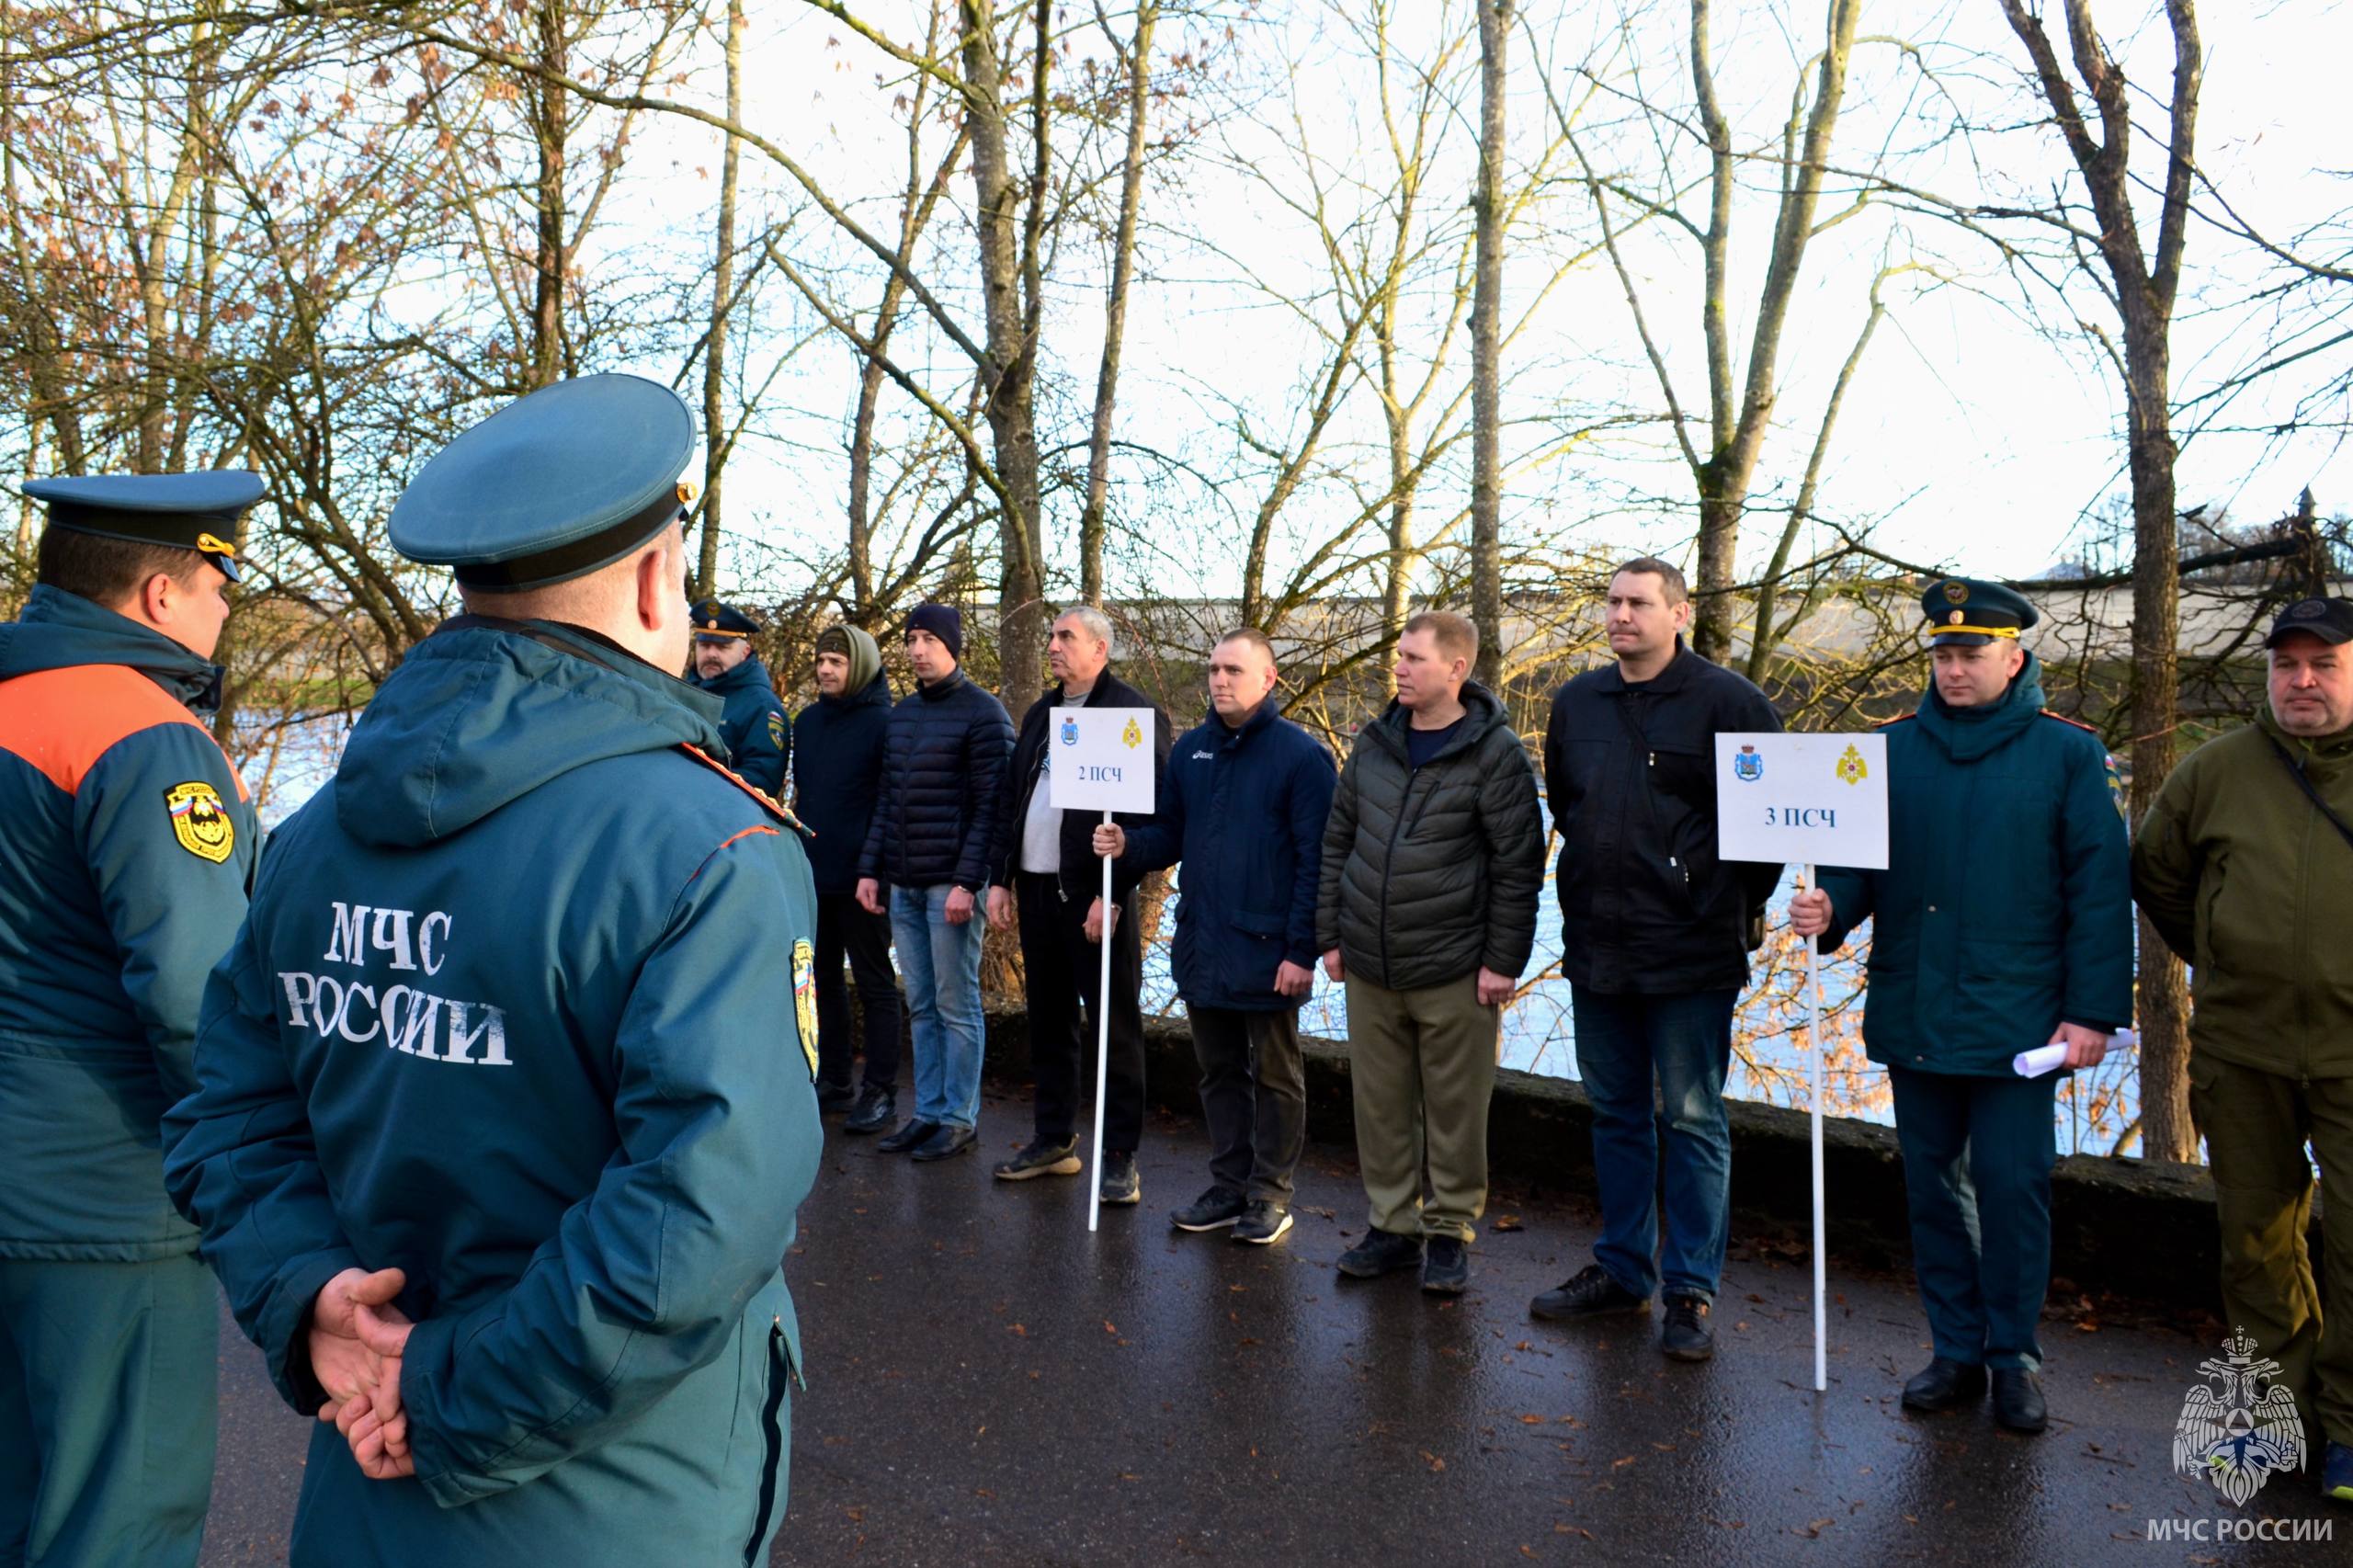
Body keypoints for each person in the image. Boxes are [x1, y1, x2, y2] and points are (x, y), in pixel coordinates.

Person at [162, 373, 824, 1566]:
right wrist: (443, 1389)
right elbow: (701, 1216)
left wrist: (312, 1298)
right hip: (614, 1495)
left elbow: (226, 1113)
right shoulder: (712, 847)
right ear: (655, 577)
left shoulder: (314, 837)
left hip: (363, 1476)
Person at [1791, 577, 2131, 1435]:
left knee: (2014, 1191)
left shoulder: (2068, 756)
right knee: (1933, 1190)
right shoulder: (1889, 749)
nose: (1953, 669)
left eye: (1970, 654)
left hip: (2022, 1023)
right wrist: (1830, 906)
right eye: (1942, 654)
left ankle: (2013, 1357)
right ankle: (1954, 1350)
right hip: (1916, 1006)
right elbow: (1859, 865)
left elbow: (2099, 894)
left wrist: (2092, 1015)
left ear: (2014, 657)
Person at [0, 472, 262, 1568]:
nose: (227, 608)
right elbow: (197, 997)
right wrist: (256, 1184)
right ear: (161, 594)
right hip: (105, 1200)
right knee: (115, 1520)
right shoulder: (141, 737)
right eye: (221, 582)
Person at [1528, 558, 1782, 1363]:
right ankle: (1623, 1270)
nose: (1621, 615)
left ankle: (1690, 1292)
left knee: (1694, 1118)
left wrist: (1706, 899)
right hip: (1599, 947)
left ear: (1679, 613)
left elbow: (1762, 836)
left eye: (1639, 603)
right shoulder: (1577, 703)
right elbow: (1569, 805)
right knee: (1615, 1114)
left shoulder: (1732, 705)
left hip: (1690, 952)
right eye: (1612, 602)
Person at [2131, 595, 2353, 1502]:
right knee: (2255, 1243)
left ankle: (2348, 1426)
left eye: (2325, 664)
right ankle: (2281, 1417)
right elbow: (2157, 873)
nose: (2301, 680)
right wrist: (2225, 954)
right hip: (2242, 1047)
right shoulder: (2215, 770)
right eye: (2286, 663)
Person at [1315, 610, 1545, 1295]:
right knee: (1380, 1105)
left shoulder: (1495, 753)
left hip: (1453, 965)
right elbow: (1338, 841)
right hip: (1370, 962)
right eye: (1400, 658)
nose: (1401, 669)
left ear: (1457, 670)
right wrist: (1330, 934)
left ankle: (1447, 1234)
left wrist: (1503, 960)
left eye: (1415, 658)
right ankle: (1392, 1227)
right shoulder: (1376, 743)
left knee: (1454, 1109)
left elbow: (1518, 866)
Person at [1095, 629, 1334, 1244]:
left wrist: (1300, 950)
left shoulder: (1301, 758)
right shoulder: (1192, 751)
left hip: (1269, 950)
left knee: (1276, 1076)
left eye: (1233, 669)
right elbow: (1171, 833)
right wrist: (1129, 846)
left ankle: (1270, 1195)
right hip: (1203, 943)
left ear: (1268, 679)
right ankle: (1229, 1185)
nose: (1220, 680)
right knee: (1219, 1073)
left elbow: (1318, 863)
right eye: (1213, 670)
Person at [984, 608, 1171, 1206]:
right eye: (1053, 635)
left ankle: (1119, 1157)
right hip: (1038, 892)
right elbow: (1012, 801)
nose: (1053, 644)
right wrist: (999, 879)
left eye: (1066, 637)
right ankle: (1053, 1139)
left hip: (1095, 900)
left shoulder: (1132, 715)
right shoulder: (1042, 713)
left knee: (1113, 1028)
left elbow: (1152, 821)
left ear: (1101, 649)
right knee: (1049, 1023)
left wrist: (1112, 895)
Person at [857, 603, 1015, 1163]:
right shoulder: (901, 715)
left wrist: (968, 882)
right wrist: (870, 870)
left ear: (953, 646)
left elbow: (993, 810)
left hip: (951, 885)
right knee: (920, 1004)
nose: (918, 649)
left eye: (928, 639)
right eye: (911, 639)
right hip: (903, 883)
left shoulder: (984, 714)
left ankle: (958, 1118)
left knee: (955, 1003)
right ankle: (927, 1112)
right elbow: (887, 800)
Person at [795, 623, 903, 1132]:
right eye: (820, 660)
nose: (824, 669)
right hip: (815, 873)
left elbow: (890, 803)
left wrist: (875, 869)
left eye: (836, 662)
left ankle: (880, 1091)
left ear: (857, 665)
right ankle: (834, 1080)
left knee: (876, 984)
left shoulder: (886, 723)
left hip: (865, 877)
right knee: (821, 984)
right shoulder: (807, 722)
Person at [688, 597, 790, 797]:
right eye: (705, 645)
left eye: (722, 647)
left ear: (745, 652)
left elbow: (761, 781)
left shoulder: (762, 706)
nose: (711, 654)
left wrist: (693, 786)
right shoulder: (683, 693)